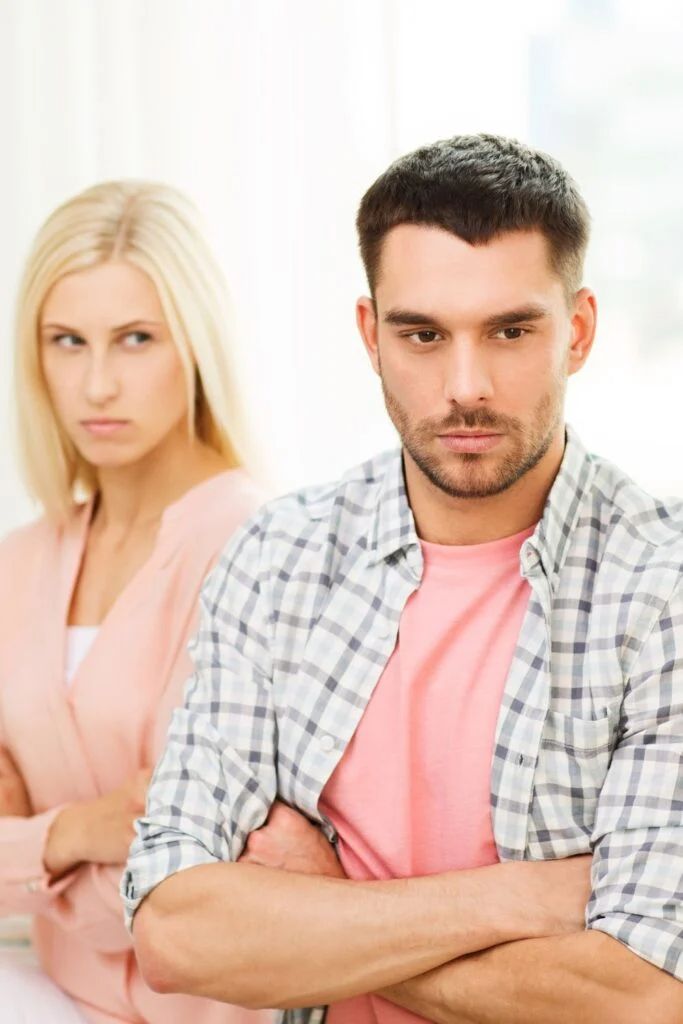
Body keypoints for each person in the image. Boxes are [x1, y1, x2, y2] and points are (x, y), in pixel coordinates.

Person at [125, 135, 683, 1023]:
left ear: (576, 331)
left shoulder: (661, 586)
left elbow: (643, 996)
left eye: (510, 331)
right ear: (369, 334)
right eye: (421, 334)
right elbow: (175, 933)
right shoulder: (279, 557)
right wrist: (514, 899)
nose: (465, 386)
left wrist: (320, 912)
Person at [0, 180, 271, 1024]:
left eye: (136, 339)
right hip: (47, 996)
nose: (97, 385)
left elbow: (188, 889)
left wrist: (25, 852)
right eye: (67, 341)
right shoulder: (18, 564)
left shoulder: (255, 547)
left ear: (194, 343)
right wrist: (76, 832)